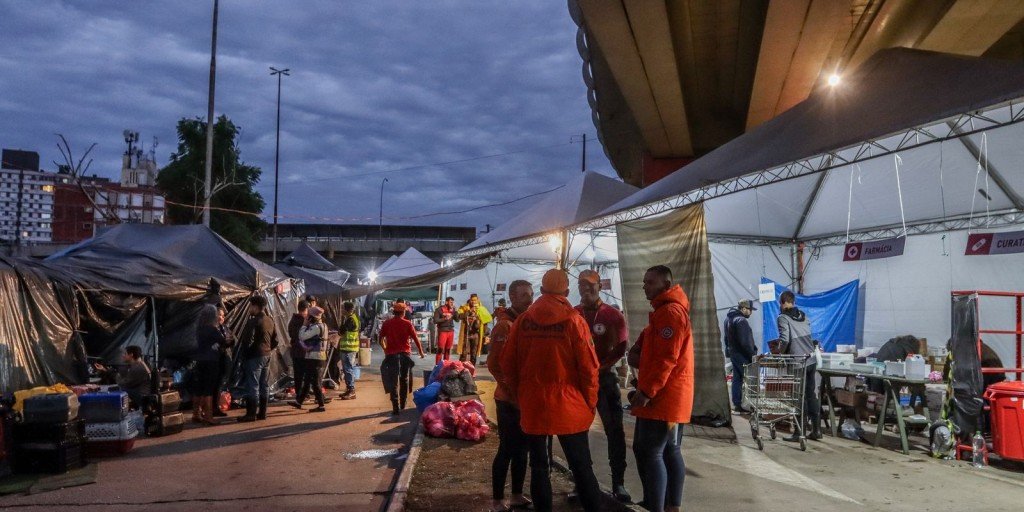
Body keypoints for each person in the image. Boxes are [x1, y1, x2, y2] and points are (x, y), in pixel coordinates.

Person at [500, 269, 602, 512]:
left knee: (539, 466)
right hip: (570, 405)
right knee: (581, 467)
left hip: (534, 404)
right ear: (566, 291)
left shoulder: (524, 321)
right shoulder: (574, 320)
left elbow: (507, 363)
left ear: (541, 290)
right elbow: (589, 368)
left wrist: (519, 395)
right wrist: (590, 402)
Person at [628, 265, 693, 512]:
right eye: (644, 281)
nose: (645, 286)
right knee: (665, 451)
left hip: (664, 397)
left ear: (666, 285)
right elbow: (642, 352)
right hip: (665, 395)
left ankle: (657, 506)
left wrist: (647, 391)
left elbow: (667, 358)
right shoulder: (662, 313)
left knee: (652, 452)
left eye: (650, 282)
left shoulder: (670, 314)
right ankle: (667, 505)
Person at [575, 269, 631, 503]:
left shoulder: (612, 315)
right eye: (582, 284)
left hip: (605, 380)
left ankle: (618, 482)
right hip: (579, 383)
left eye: (591, 284)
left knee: (614, 431)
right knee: (576, 433)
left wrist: (601, 368)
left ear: (600, 286)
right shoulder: (573, 314)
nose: (586, 288)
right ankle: (582, 483)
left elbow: (621, 346)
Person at [488, 280, 534, 512]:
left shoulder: (525, 322)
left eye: (531, 294)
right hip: (508, 400)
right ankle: (497, 499)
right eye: (524, 295)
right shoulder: (504, 327)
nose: (530, 299)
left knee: (522, 449)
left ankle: (516, 494)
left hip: (523, 399)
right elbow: (495, 364)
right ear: (512, 297)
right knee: (507, 448)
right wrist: (511, 390)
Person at [777, 290, 821, 441]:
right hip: (811, 360)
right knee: (810, 395)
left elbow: (785, 339)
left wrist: (779, 352)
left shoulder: (783, 318)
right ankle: (816, 430)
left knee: (798, 397)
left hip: (797, 362)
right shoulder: (803, 315)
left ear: (782, 303)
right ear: (793, 302)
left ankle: (799, 432)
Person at [379, 302, 425, 415]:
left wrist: (385, 349)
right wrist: (421, 352)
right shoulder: (407, 323)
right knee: (404, 379)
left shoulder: (387, 323)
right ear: (403, 312)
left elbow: (380, 339)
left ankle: (395, 407)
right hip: (405, 355)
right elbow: (416, 339)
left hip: (391, 355)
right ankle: (403, 404)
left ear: (394, 312)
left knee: (393, 381)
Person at [237, 295, 278, 422]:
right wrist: (268, 349)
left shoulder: (253, 321)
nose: (250, 308)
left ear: (255, 307)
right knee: (264, 384)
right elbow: (276, 340)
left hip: (254, 356)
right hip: (267, 355)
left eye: (250, 306)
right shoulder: (270, 320)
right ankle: (262, 413)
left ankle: (251, 414)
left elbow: (247, 341)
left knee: (253, 385)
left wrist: (245, 354)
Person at [192, 304, 229, 425]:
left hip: (200, 360)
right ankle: (208, 416)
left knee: (199, 388)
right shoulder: (213, 329)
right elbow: (224, 341)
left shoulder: (199, 329)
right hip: (211, 361)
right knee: (208, 389)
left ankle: (196, 414)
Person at [292, 306, 328, 413]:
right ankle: (299, 402)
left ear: (312, 317)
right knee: (307, 380)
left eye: (308, 316)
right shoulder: (323, 325)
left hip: (315, 358)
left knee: (315, 382)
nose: (307, 317)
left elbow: (302, 336)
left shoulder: (316, 327)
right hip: (315, 357)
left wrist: (304, 325)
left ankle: (321, 405)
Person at [724, 300, 758, 413]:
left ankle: (737, 405)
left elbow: (726, 339)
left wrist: (729, 352)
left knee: (737, 379)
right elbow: (745, 342)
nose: (750, 312)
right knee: (751, 380)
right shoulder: (741, 320)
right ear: (743, 308)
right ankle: (752, 406)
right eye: (749, 310)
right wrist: (753, 354)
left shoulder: (728, 319)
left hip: (734, 354)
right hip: (743, 355)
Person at [94, 345, 152, 409]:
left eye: (125, 354)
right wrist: (105, 369)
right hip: (142, 394)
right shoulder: (140, 364)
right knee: (115, 389)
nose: (123, 356)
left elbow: (123, 383)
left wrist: (113, 373)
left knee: (114, 390)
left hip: (142, 397)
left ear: (131, 355)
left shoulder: (138, 368)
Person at [212, 304, 235, 417]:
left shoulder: (224, 328)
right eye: (220, 315)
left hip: (224, 359)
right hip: (214, 360)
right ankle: (213, 408)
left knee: (220, 383)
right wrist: (224, 343)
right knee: (215, 384)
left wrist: (229, 341)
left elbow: (231, 339)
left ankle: (216, 406)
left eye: (223, 315)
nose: (222, 317)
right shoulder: (212, 329)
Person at [458, 294, 492, 365]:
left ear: (478, 300)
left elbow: (486, 322)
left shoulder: (482, 309)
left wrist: (486, 335)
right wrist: (469, 311)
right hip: (466, 333)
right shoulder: (464, 308)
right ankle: (461, 367)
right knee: (464, 352)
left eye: (475, 300)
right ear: (470, 300)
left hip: (476, 334)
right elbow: (459, 316)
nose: (473, 302)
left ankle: (472, 367)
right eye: (472, 300)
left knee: (474, 353)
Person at [338, 301, 361, 399]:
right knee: (347, 369)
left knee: (348, 369)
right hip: (348, 348)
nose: (341, 310)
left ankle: (351, 390)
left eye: (342, 308)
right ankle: (349, 389)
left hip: (349, 348)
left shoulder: (350, 320)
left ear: (346, 310)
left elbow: (341, 331)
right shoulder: (352, 318)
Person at [288, 300, 309, 403]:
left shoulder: (293, 320)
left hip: (295, 351)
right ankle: (304, 395)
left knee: (298, 375)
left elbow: (291, 334)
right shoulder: (305, 321)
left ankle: (299, 394)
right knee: (306, 375)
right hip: (304, 352)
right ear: (306, 309)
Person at [433, 297, 457, 364]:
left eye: (453, 302)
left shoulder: (453, 309)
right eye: (451, 302)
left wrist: (456, 311)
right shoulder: (439, 309)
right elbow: (435, 320)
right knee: (440, 349)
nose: (452, 304)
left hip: (451, 331)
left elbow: (457, 320)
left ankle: (446, 365)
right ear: (446, 302)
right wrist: (445, 319)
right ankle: (438, 365)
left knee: (448, 349)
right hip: (443, 331)